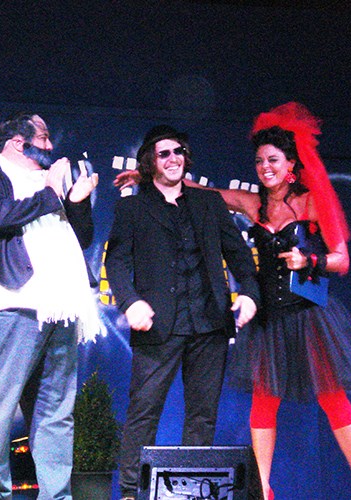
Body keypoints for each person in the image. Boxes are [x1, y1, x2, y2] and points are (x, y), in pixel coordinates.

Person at [114, 103, 351, 500]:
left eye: (273, 160)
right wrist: (148, 176)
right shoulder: (254, 203)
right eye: (259, 161)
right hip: (269, 317)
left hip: (306, 314)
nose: (265, 167)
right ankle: (263, 490)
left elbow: (342, 259)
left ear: (291, 164)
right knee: (262, 404)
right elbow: (205, 193)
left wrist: (310, 260)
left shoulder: (313, 201)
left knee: (331, 396)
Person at [105, 125, 260, 500]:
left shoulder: (209, 204)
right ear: (150, 161)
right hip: (159, 326)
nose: (173, 159)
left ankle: (194, 492)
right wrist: (130, 301)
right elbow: (117, 261)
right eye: (164, 153)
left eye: (178, 152)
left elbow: (240, 257)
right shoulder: (132, 208)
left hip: (210, 324)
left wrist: (249, 293)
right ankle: (131, 492)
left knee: (202, 415)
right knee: (144, 411)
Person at [0, 113, 99, 499]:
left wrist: (77, 202)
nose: (51, 146)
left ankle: (57, 495)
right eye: (44, 138)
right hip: (13, 304)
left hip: (62, 308)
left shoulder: (50, 184)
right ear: (19, 143)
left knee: (55, 413)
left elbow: (82, 238)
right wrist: (52, 192)